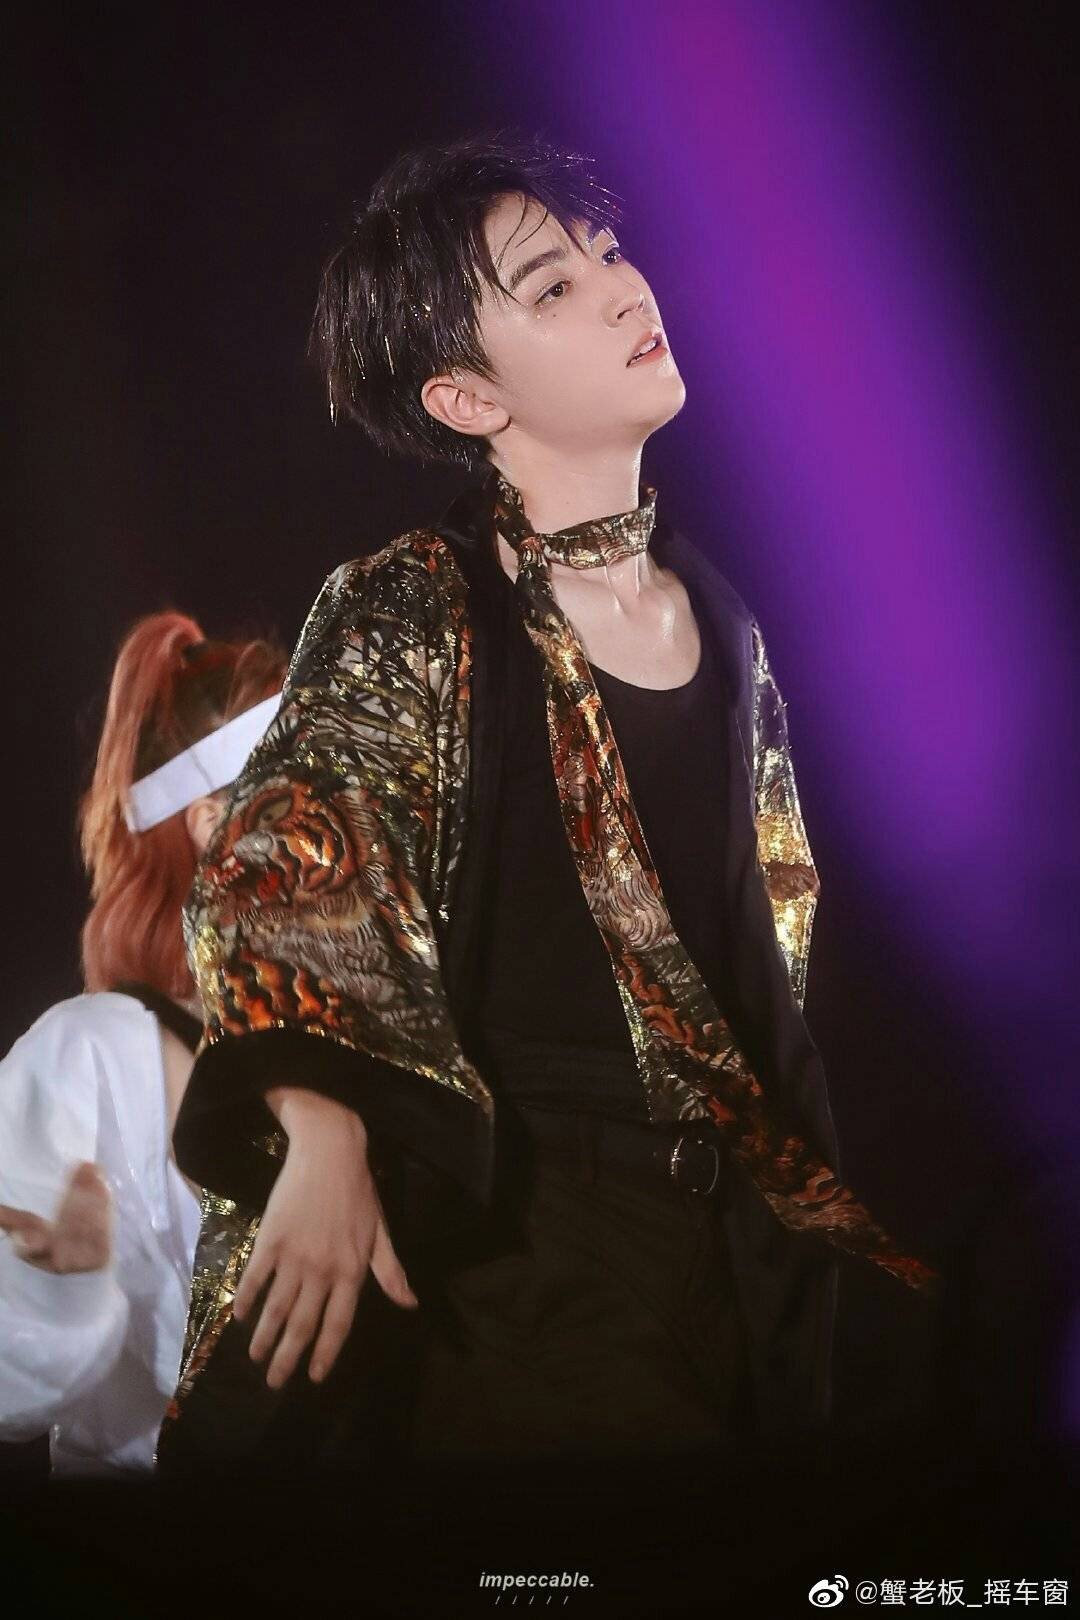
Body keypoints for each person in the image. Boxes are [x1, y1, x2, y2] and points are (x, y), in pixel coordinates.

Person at [159, 133, 939, 1475]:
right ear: (466, 397)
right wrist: (325, 1130)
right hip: (521, 1256)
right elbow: (289, 855)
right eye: (555, 286)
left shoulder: (727, 625)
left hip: (731, 1261)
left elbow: (767, 975)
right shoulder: (417, 602)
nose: (626, 288)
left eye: (611, 252)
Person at [0, 612, 286, 1474]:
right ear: (212, 823)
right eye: (308, 790)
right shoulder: (89, 1053)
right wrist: (54, 1290)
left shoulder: (347, 1045)